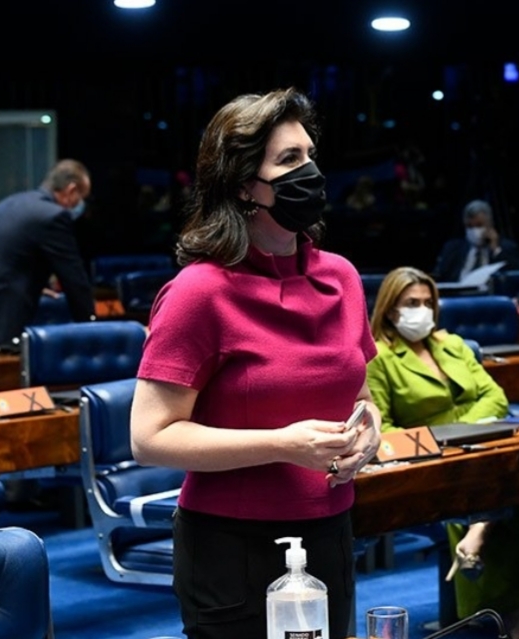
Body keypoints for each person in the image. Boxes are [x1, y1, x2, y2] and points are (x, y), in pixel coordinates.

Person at [129, 87, 381, 639]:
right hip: (230, 545)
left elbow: (358, 393)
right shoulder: (199, 292)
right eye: (289, 160)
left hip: (329, 528)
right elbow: (149, 437)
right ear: (245, 185)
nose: (310, 172)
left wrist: (370, 426)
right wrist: (280, 444)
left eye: (310, 156)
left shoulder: (341, 276)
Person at [365, 266, 519, 639]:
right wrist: (443, 438)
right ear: (390, 309)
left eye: (428, 302)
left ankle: (479, 537)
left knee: (517, 488)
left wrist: (462, 430)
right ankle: (517, 622)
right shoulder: (377, 357)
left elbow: (495, 396)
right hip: (430, 465)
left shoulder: (453, 344)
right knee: (499, 500)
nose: (422, 310)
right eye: (411, 303)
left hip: (480, 450)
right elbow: (384, 430)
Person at [0, 159, 94, 349]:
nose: (80, 205)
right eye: (82, 197)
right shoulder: (53, 215)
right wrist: (92, 328)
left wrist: (37, 284)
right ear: (71, 190)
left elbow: (11, 259)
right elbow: (74, 279)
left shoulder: (12, 202)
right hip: (3, 322)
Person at [431, 199, 519, 283]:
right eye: (469, 226)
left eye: (479, 225)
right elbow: (439, 275)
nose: (474, 231)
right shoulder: (453, 248)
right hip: (459, 298)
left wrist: (495, 249)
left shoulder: (507, 248)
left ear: (490, 224)